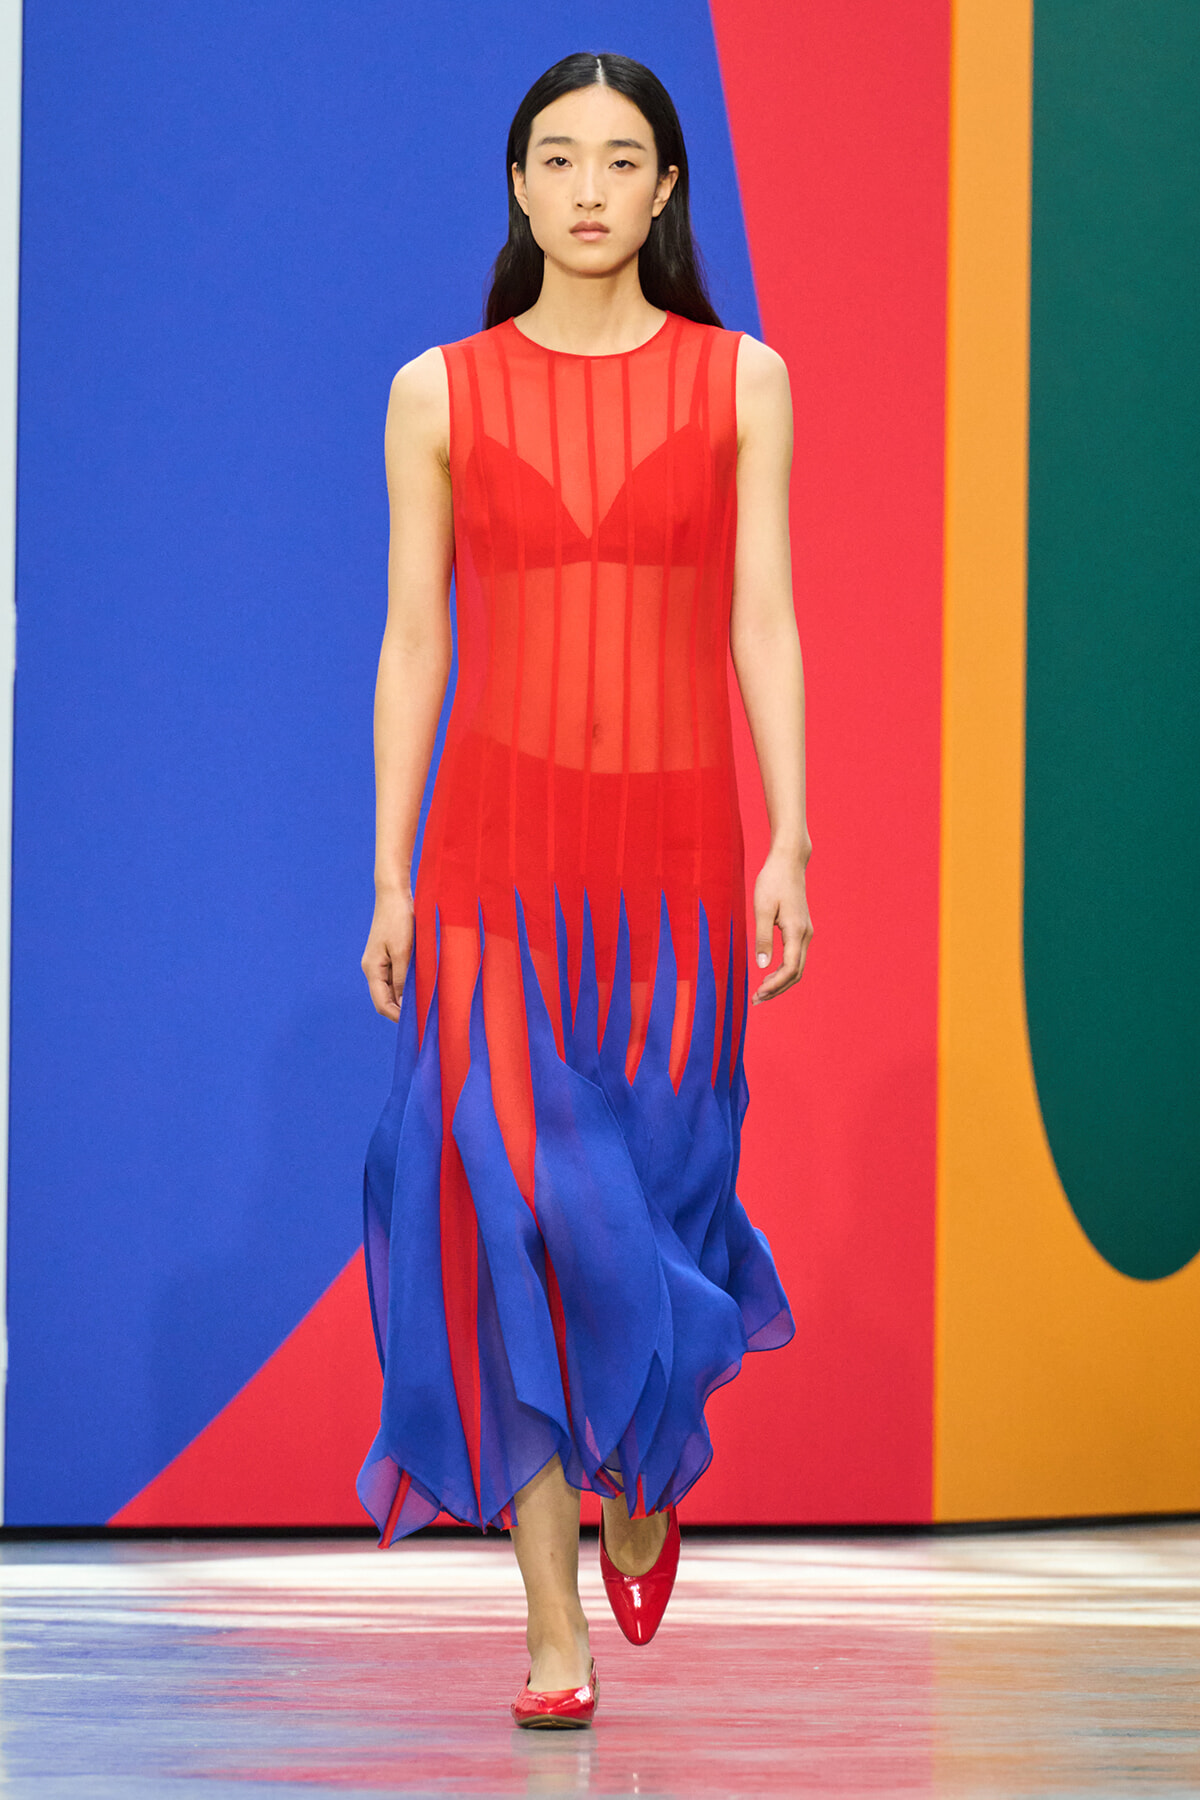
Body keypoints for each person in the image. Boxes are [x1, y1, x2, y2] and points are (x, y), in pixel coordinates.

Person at [358, 50, 812, 1728]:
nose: (592, 187)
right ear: (520, 185)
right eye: (560, 157)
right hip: (492, 869)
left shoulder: (741, 379)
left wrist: (795, 835)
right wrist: (392, 871)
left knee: (662, 1219)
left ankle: (650, 1462)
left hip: (678, 878)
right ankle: (553, 1630)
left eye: (626, 158)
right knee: (495, 1214)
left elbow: (764, 618)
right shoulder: (438, 392)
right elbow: (415, 641)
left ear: (669, 188)